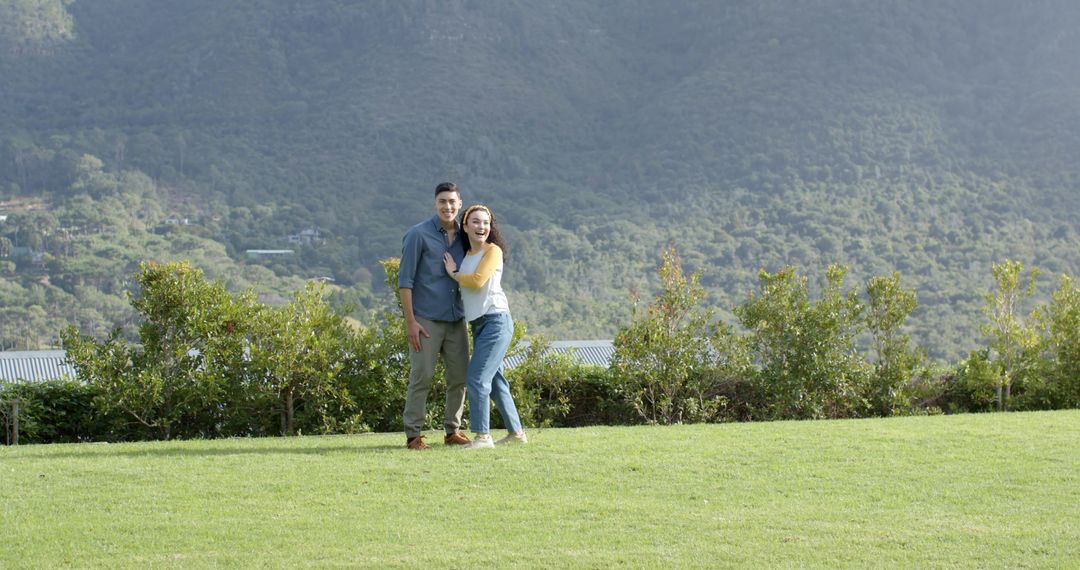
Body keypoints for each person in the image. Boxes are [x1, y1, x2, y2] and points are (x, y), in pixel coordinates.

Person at [442, 204, 528, 449]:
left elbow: (478, 281)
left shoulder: (493, 251)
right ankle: (517, 433)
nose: (482, 227)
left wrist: (455, 274)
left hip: (496, 320)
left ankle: (482, 437)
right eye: (476, 222)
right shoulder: (467, 255)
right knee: (497, 380)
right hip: (479, 323)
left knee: (477, 378)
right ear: (465, 226)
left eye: (486, 223)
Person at [397, 182, 472, 450]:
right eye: (443, 201)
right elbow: (405, 281)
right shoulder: (418, 234)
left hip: (456, 318)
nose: (448, 206)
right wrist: (410, 322)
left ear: (460, 204)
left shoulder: (465, 237)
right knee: (422, 376)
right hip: (426, 320)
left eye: (452, 202)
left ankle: (453, 430)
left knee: (460, 377)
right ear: (435, 204)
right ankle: (413, 435)